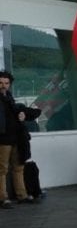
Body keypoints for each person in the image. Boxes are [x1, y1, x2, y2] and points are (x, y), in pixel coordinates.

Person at [0, 70, 35, 208]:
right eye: (1, 83)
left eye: (6, 83)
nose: (3, 85)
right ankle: (3, 198)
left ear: (10, 84)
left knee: (18, 167)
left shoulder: (9, 98)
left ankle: (22, 195)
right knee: (2, 169)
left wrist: (22, 115)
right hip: (2, 139)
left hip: (15, 138)